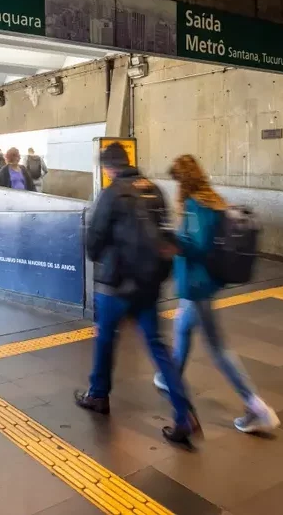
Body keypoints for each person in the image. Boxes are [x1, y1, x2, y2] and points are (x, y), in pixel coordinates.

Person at [75, 142, 198, 449]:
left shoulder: (112, 193)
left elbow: (93, 243)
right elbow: (166, 232)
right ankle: (185, 414)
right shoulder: (154, 189)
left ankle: (98, 395)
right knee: (157, 346)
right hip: (149, 283)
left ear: (108, 167)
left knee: (105, 338)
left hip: (117, 284)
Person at [158, 154, 279, 434]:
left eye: (177, 181)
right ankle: (170, 377)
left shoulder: (195, 205)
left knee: (218, 349)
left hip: (198, 285)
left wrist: (173, 241)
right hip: (203, 283)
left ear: (183, 180)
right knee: (182, 327)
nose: (176, 187)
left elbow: (198, 246)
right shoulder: (213, 200)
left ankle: (256, 407)